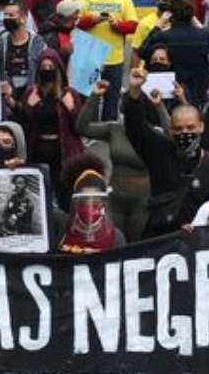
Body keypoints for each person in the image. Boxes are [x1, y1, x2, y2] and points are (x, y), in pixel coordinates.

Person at [124, 66, 209, 237]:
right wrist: (134, 92)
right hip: (159, 237)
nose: (185, 133)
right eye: (179, 129)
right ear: (170, 129)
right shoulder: (159, 151)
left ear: (201, 127)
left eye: (190, 128)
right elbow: (136, 129)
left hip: (197, 243)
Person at [76, 79, 150, 243]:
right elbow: (82, 127)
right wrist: (95, 96)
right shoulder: (115, 129)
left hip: (142, 201)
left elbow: (172, 139)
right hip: (115, 198)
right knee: (115, 241)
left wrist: (159, 107)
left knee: (137, 243)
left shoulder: (154, 132)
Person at [13, 48, 83, 207]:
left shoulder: (69, 93)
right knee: (40, 198)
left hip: (63, 154)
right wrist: (29, 106)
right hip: (38, 152)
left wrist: (71, 108)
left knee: (65, 198)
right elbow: (23, 125)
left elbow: (80, 127)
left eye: (50, 67)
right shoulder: (31, 93)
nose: (47, 70)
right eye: (43, 67)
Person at [75, 0, 138, 120]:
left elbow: (133, 25)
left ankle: (109, 128)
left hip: (114, 59)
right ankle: (88, 128)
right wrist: (91, 20)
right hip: (89, 58)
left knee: (112, 99)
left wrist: (118, 25)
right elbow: (74, 22)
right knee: (88, 99)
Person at [58, 167, 125, 254]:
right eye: (84, 200)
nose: (90, 205)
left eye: (95, 200)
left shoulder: (116, 237)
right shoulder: (61, 229)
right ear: (76, 202)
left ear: (103, 203)